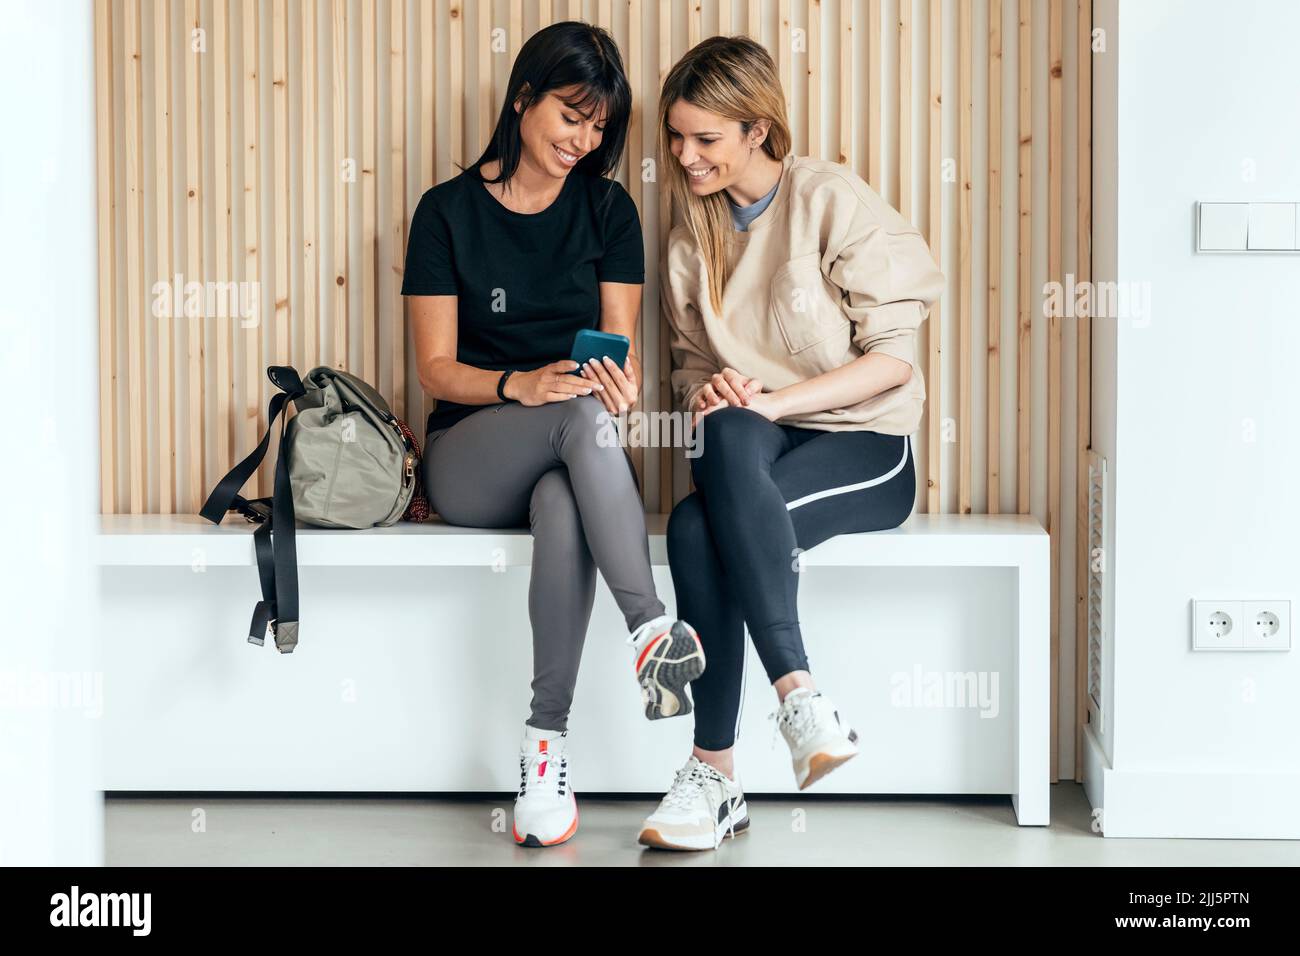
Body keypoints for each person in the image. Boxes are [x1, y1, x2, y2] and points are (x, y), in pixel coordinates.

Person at [638, 35, 944, 852]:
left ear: (758, 132)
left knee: (702, 528)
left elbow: (891, 362)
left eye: (706, 139)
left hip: (864, 448)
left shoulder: (829, 200)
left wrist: (773, 404)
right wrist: (712, 391)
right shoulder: (686, 241)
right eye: (676, 136)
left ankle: (714, 775)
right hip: (755, 448)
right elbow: (694, 373)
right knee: (719, 463)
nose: (685, 155)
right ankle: (798, 698)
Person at [402, 21, 704, 849]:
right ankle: (648, 627)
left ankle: (545, 752)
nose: (585, 140)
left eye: (600, 125)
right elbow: (433, 368)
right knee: (574, 418)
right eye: (572, 115)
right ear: (524, 97)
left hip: (571, 456)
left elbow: (619, 343)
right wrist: (519, 386)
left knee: (565, 494)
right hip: (469, 456)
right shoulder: (446, 212)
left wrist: (623, 381)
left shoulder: (608, 211)